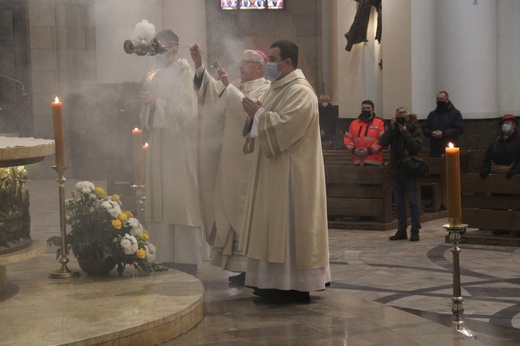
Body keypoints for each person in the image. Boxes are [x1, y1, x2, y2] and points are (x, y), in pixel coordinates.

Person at [240, 39, 330, 304]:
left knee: (289, 227)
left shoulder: (301, 92)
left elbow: (287, 127)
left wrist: (259, 115)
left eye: (272, 58)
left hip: (293, 176)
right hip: (272, 172)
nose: (268, 63)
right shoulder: (274, 88)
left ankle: (293, 284)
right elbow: (260, 116)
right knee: (271, 226)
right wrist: (254, 114)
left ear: (288, 62)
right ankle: (270, 282)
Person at [189, 44, 270, 284]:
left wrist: (228, 88)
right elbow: (213, 97)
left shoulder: (267, 88)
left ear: (258, 67)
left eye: (244, 64)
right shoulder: (236, 85)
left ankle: (252, 269)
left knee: (246, 212)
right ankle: (239, 267)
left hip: (248, 162)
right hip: (229, 160)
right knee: (228, 208)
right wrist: (199, 67)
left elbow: (247, 110)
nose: (239, 67)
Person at [139, 30, 208, 273]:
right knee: (161, 199)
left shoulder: (184, 72)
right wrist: (149, 106)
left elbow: (189, 114)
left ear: (174, 49)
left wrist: (157, 104)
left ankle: (186, 260)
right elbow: (147, 114)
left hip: (178, 146)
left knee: (180, 200)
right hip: (160, 143)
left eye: (161, 47)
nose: (157, 53)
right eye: (155, 48)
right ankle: (164, 255)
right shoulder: (156, 76)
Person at [379, 107, 423, 241]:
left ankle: (415, 229)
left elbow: (416, 147)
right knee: (398, 202)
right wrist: (391, 128)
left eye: (403, 117)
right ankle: (401, 229)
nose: (401, 119)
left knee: (412, 200)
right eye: (398, 117)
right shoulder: (394, 129)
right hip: (396, 169)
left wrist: (405, 132)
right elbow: (382, 142)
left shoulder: (415, 129)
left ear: (408, 117)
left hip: (409, 168)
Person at [422, 91, 464, 157]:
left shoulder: (455, 113)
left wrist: (444, 133)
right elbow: (425, 128)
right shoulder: (432, 114)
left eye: (441, 99)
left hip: (450, 147)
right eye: (438, 99)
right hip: (435, 149)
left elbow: (459, 129)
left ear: (447, 100)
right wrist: (431, 133)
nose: (439, 101)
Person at [343, 100, 385, 166]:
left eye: (368, 108)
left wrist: (369, 151)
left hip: (374, 161)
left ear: (373, 110)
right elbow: (347, 139)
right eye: (363, 108)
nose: (365, 110)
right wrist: (353, 150)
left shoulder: (379, 123)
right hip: (357, 160)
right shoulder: (354, 123)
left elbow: (382, 140)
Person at [480, 114, 520, 179]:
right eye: (503, 123)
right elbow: (488, 157)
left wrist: (514, 171)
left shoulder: (518, 141)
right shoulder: (496, 142)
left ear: (514, 125)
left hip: (513, 178)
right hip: (495, 176)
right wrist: (486, 169)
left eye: (507, 123)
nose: (505, 125)